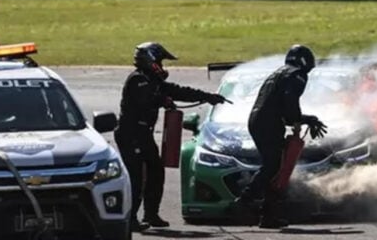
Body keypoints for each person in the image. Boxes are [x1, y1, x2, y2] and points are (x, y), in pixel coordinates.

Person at [117, 42, 229, 231]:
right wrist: (164, 100)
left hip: (143, 134)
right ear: (151, 60)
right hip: (131, 135)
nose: (162, 66)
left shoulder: (154, 81)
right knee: (136, 177)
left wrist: (208, 96)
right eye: (160, 61)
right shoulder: (138, 80)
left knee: (156, 172)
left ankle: (151, 214)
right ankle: (130, 219)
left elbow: (178, 91)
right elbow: (147, 99)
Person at [233, 45, 328, 229]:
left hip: (259, 121)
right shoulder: (297, 75)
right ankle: (244, 200)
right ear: (304, 62)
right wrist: (304, 119)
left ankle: (268, 216)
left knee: (276, 166)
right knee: (273, 165)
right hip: (268, 124)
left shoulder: (278, 73)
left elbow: (280, 105)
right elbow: (290, 102)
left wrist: (303, 119)